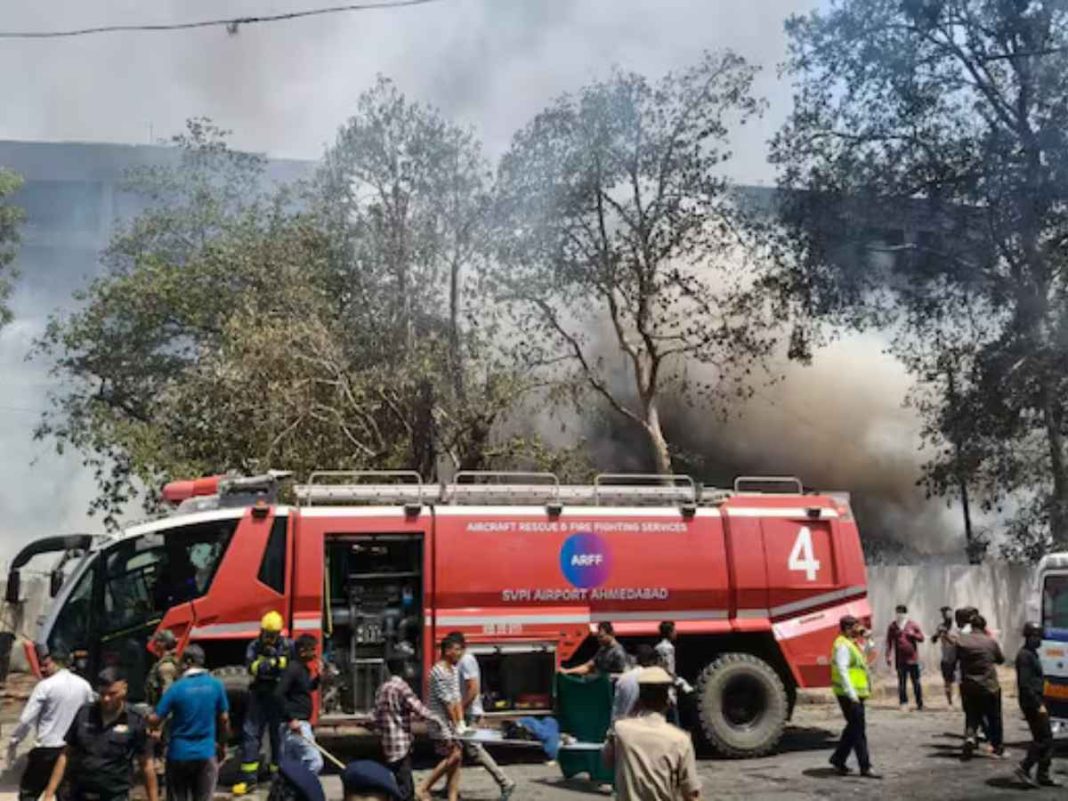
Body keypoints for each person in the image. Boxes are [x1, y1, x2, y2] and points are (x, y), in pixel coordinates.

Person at [42, 667, 158, 801]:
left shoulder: (135, 720)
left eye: (112, 693)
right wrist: (49, 794)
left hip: (114, 795)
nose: (106, 699)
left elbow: (146, 764)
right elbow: (66, 755)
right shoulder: (85, 713)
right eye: (102, 693)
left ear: (124, 689)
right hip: (79, 793)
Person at [6, 645, 94, 801]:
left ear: (54, 663)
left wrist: (15, 740)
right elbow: (91, 712)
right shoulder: (84, 686)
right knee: (66, 794)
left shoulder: (46, 686)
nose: (43, 669)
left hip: (47, 748)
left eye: (46, 664)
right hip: (72, 749)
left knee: (29, 792)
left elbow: (27, 719)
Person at [602, 666, 700, 801]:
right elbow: (691, 793)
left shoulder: (620, 730)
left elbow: (607, 762)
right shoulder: (680, 739)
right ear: (667, 701)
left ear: (639, 699)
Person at [149, 644, 230, 801]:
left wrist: (144, 717)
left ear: (187, 662)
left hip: (178, 755)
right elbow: (224, 719)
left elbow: (156, 719)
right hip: (206, 754)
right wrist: (222, 745)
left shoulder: (176, 688)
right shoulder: (216, 685)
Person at [373, 642, 450, 801]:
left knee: (394, 783)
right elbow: (418, 708)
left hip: (387, 744)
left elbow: (377, 716)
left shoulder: (383, 688)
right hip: (401, 744)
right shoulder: (401, 687)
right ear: (402, 668)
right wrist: (437, 719)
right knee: (406, 788)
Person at [454, 634, 515, 801]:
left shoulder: (466, 660)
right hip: (468, 710)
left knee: (474, 748)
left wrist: (461, 709)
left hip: (469, 712)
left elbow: (473, 688)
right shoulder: (463, 660)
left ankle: (505, 782)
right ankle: (451, 788)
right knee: (454, 750)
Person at [236, 610, 292, 792]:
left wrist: (275, 663)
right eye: (266, 634)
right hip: (259, 694)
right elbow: (251, 667)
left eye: (272, 635)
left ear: (279, 633)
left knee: (278, 736)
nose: (269, 639)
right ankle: (248, 780)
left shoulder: (287, 645)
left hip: (278, 695)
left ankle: (277, 778)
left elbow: (291, 667)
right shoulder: (254, 646)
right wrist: (270, 664)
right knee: (250, 734)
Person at [829, 615, 880, 779]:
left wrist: (869, 638)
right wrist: (852, 695)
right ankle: (865, 766)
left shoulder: (852, 643)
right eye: (855, 627)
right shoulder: (843, 646)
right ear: (847, 628)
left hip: (857, 694)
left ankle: (838, 759)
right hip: (848, 695)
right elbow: (843, 671)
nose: (858, 629)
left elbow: (869, 654)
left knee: (853, 728)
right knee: (859, 730)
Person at [416, 634, 465, 801]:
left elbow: (457, 698)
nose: (460, 653)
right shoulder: (438, 671)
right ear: (447, 651)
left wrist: (461, 721)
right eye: (457, 649)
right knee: (454, 755)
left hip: (451, 722)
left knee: (457, 757)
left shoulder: (454, 669)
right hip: (440, 722)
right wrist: (456, 723)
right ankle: (424, 787)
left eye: (461, 649)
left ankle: (452, 795)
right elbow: (447, 702)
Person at [952, 610, 1005, 759]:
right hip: (989, 686)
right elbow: (1000, 660)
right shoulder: (990, 642)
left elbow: (953, 660)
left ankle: (970, 737)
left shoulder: (961, 641)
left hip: (968, 685)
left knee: (971, 715)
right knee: (994, 717)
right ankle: (997, 747)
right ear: (984, 627)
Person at [1014, 622, 1059, 788]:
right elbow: (1025, 685)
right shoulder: (1024, 656)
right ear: (1029, 637)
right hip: (1032, 702)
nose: (1040, 640)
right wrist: (1037, 703)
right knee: (1043, 738)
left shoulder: (1032, 654)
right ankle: (1024, 767)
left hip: (1037, 699)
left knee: (1046, 738)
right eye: (1037, 636)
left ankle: (1043, 774)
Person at [277, 635, 324, 775]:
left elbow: (305, 689)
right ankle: (303, 783)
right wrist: (291, 719)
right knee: (315, 761)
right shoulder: (293, 669)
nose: (315, 654)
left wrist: (318, 677)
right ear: (303, 651)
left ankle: (291, 785)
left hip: (297, 724)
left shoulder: (303, 669)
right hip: (296, 725)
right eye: (313, 650)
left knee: (290, 766)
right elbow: (278, 694)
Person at [145, 630, 181, 784]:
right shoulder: (168, 663)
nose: (154, 644)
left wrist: (159, 725)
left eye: (156, 642)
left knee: (162, 751)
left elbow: (167, 697)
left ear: (162, 644)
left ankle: (162, 784)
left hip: (166, 717)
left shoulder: (165, 667)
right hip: (164, 715)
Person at [885, 604, 924, 710]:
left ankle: (919, 703)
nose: (900, 615)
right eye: (898, 612)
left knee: (916, 682)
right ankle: (903, 702)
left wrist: (913, 635)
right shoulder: (893, 626)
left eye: (902, 612)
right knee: (902, 682)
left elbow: (921, 638)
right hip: (900, 660)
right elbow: (889, 642)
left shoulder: (912, 625)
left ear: (905, 613)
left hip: (913, 659)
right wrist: (888, 656)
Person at [560, 622, 628, 676]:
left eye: (601, 637)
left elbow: (622, 676)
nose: (599, 639)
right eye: (598, 637)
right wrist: (567, 671)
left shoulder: (618, 652)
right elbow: (588, 667)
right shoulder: (603, 650)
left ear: (612, 634)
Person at [613, 645, 658, 722]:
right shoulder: (652, 678)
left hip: (620, 723)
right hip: (640, 724)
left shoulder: (623, 678)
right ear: (651, 661)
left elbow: (616, 705)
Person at [931, 607, 956, 707]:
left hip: (957, 658)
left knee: (961, 681)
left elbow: (956, 643)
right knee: (947, 682)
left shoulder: (957, 627)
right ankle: (950, 703)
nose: (945, 616)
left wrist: (946, 635)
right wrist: (936, 635)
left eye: (947, 614)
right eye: (943, 614)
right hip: (946, 658)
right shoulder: (940, 626)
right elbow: (933, 640)